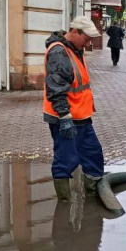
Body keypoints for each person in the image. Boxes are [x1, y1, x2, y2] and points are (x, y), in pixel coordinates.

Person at [43, 16, 104, 201]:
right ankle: (64, 202)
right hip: (66, 118)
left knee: (93, 155)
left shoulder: (74, 49)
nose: (88, 43)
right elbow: (55, 88)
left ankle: (93, 194)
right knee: (66, 160)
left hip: (82, 117)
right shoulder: (59, 52)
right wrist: (65, 117)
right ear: (75, 32)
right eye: (86, 39)